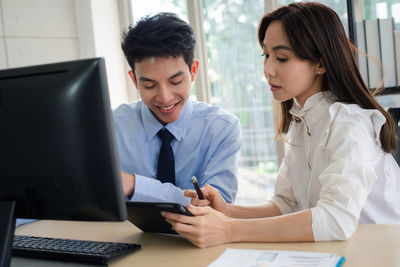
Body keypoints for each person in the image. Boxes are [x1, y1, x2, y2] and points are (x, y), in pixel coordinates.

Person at [162, 2, 400, 248]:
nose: (267, 70)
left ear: (320, 63)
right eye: (266, 55)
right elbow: (286, 205)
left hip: (377, 256)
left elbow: (336, 219)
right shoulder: (302, 121)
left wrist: (230, 230)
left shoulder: (350, 124)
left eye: (282, 58)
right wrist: (227, 212)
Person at [114, 12, 241, 205]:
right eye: (149, 85)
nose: (165, 97)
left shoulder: (221, 129)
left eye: (175, 81)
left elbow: (216, 207)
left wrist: (135, 185)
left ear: (193, 71)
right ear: (134, 80)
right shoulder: (111, 127)